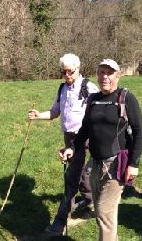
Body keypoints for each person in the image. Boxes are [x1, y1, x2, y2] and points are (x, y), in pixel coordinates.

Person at [60, 59, 142, 241]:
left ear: (117, 75)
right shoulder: (93, 99)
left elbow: (139, 132)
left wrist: (134, 164)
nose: (105, 77)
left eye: (109, 73)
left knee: (104, 213)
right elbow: (84, 130)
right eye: (101, 72)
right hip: (95, 164)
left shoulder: (125, 98)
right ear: (97, 74)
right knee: (101, 211)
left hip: (115, 165)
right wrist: (71, 148)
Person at [28, 53, 99, 236]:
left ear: (78, 69)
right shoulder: (62, 89)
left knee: (89, 173)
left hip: (90, 135)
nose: (67, 75)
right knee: (74, 176)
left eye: (70, 71)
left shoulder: (89, 87)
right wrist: (38, 115)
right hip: (70, 139)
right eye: (64, 71)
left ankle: (90, 204)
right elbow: (54, 112)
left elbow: (101, 109)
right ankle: (64, 220)